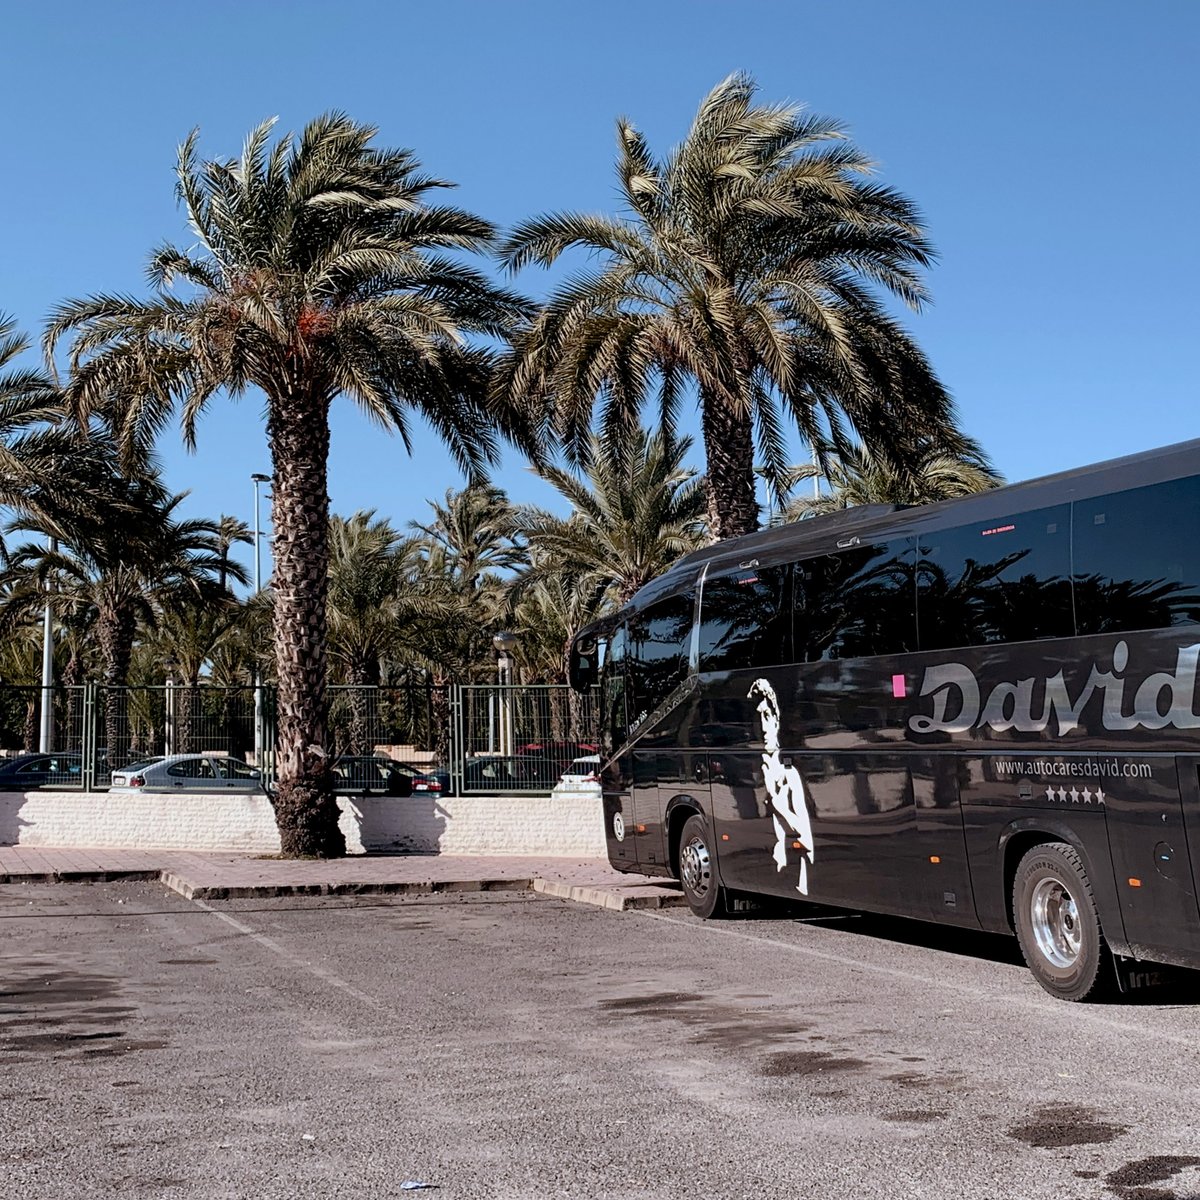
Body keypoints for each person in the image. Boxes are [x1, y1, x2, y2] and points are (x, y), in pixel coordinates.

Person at [748, 678, 815, 894]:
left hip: (797, 874)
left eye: (767, 716)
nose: (763, 727)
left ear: (777, 721)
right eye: (760, 718)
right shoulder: (770, 767)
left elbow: (805, 836)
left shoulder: (790, 775)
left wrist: (779, 805)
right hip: (782, 870)